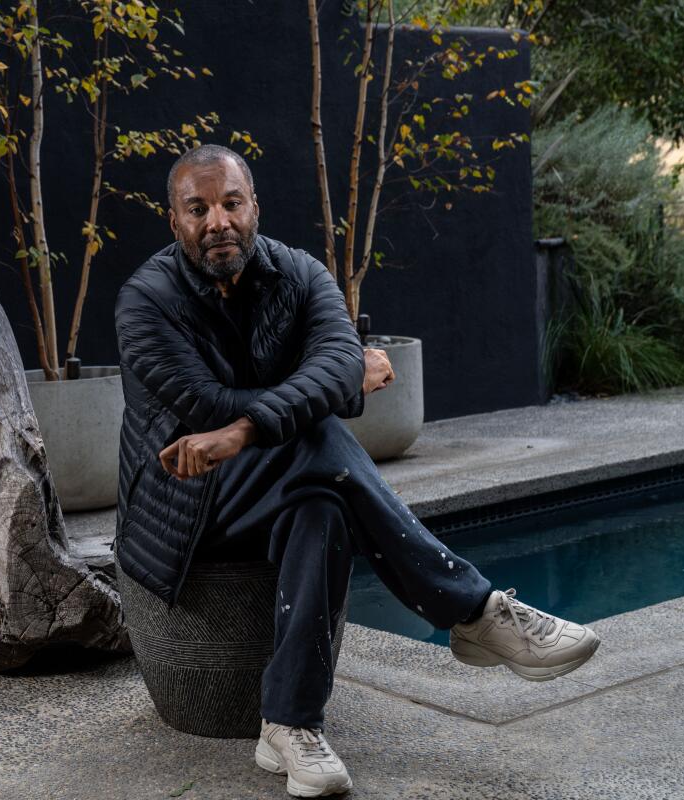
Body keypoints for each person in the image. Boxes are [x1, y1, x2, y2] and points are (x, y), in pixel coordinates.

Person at [112, 144, 600, 798]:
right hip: (183, 500)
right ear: (175, 223)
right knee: (320, 434)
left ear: (254, 206)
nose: (217, 221)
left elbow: (327, 363)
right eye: (197, 209)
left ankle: (288, 724)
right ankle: (473, 609)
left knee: (323, 505)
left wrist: (268, 415)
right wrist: (332, 388)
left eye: (231, 203)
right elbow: (216, 405)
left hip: (277, 484)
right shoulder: (145, 299)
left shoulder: (301, 274)